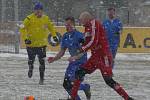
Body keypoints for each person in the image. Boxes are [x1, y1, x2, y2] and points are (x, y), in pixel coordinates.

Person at [69, 12, 134, 100]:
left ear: (86, 19)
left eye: (81, 20)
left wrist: (82, 49)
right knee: (79, 73)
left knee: (109, 81)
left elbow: (94, 41)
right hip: (95, 57)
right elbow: (87, 41)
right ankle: (73, 97)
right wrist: (80, 46)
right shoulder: (87, 27)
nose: (80, 22)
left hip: (104, 56)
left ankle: (128, 98)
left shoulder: (94, 23)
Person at [48, 17, 91, 100]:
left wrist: (75, 57)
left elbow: (84, 51)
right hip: (72, 63)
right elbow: (62, 52)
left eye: (69, 25)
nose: (67, 26)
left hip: (81, 63)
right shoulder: (65, 36)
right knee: (66, 85)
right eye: (66, 25)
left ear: (73, 25)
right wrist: (54, 59)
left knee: (70, 84)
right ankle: (85, 87)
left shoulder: (79, 36)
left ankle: (85, 88)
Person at [19, 2, 58, 85]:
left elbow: (51, 27)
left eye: (40, 10)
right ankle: (30, 68)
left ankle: (41, 78)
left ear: (42, 11)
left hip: (42, 45)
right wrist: (26, 39)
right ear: (34, 10)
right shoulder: (29, 18)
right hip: (31, 45)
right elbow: (22, 28)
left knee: (42, 62)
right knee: (31, 60)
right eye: (36, 10)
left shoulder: (46, 19)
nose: (38, 12)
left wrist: (54, 35)